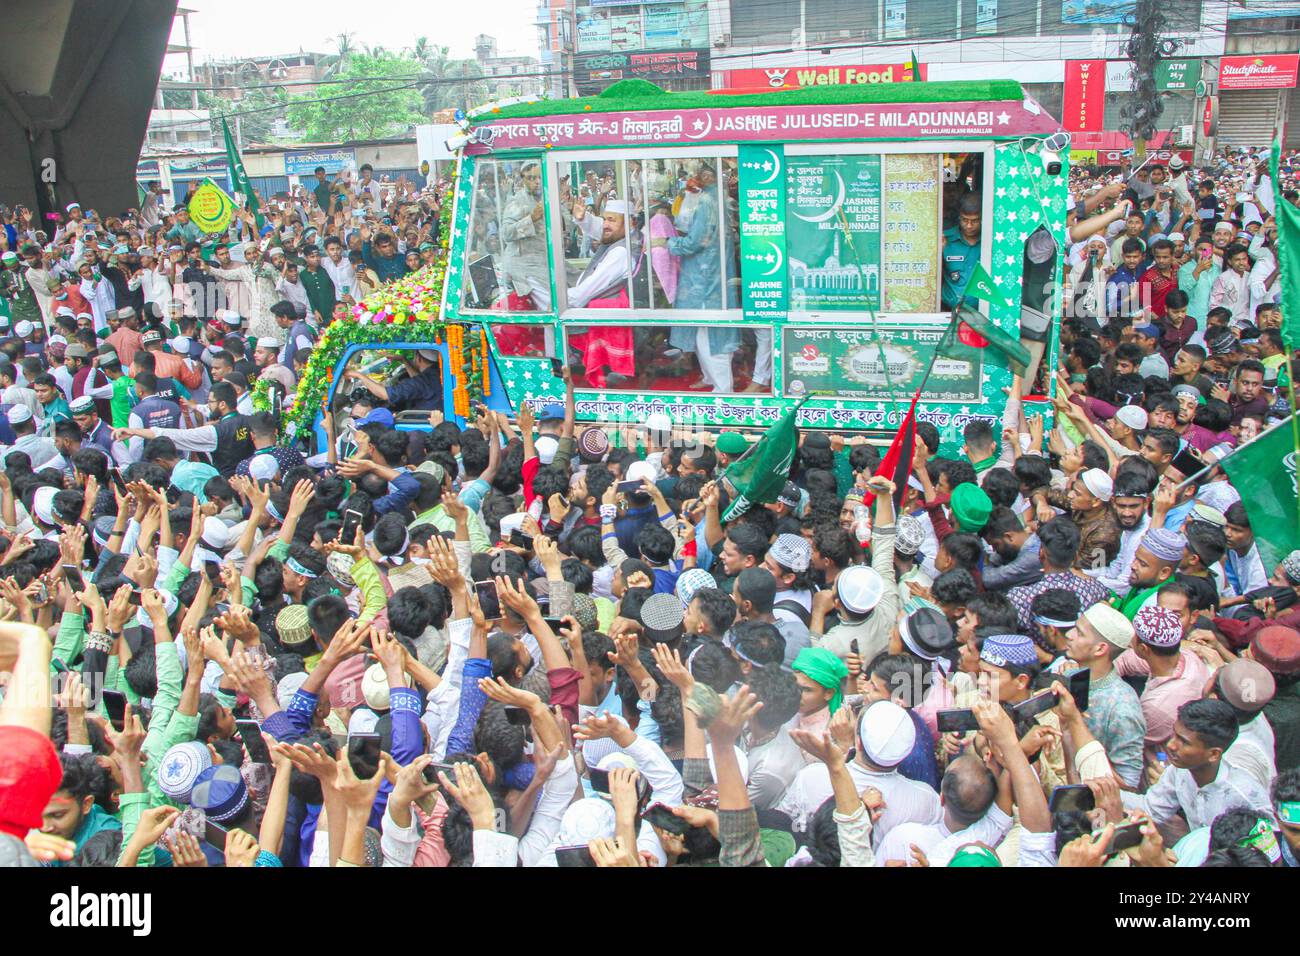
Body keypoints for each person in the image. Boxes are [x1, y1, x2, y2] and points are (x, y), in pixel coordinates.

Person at [566, 198, 637, 388]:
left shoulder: (620, 252)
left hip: (594, 311)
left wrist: (559, 301)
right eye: (604, 219)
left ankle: (564, 371)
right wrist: (583, 218)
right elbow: (603, 229)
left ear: (630, 223)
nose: (606, 225)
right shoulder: (623, 236)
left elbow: (583, 294)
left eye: (612, 220)